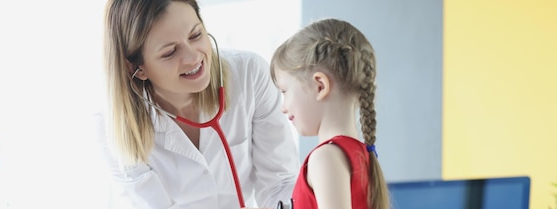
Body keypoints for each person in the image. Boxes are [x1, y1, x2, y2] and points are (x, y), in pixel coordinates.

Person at [95, 0, 299, 209]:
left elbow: (279, 185)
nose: (193, 57)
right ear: (136, 69)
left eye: (195, 35)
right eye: (170, 52)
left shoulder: (249, 74)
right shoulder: (114, 129)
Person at [269, 18, 390, 209]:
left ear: (320, 86)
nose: (283, 106)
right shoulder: (361, 155)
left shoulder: (325, 158)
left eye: (284, 91)